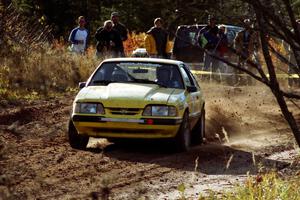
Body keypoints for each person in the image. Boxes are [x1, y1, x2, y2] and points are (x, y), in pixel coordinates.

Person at [234, 18, 259, 85]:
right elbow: (236, 42)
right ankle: (240, 81)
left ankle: (250, 82)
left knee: (249, 67)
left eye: (248, 24)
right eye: (245, 24)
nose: (247, 25)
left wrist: (256, 49)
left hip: (250, 52)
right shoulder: (240, 33)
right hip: (242, 51)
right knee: (240, 66)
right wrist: (237, 49)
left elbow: (258, 43)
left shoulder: (254, 33)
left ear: (250, 25)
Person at [197, 15, 220, 81]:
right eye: (211, 20)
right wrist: (204, 46)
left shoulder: (218, 30)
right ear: (209, 21)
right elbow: (199, 39)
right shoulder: (204, 30)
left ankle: (214, 80)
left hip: (216, 50)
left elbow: (222, 39)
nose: (212, 22)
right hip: (208, 50)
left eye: (214, 20)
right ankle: (204, 80)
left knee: (215, 66)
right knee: (206, 66)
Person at [287, 19, 300, 88]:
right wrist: (288, 50)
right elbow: (286, 41)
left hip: (298, 51)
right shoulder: (291, 32)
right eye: (298, 24)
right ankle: (290, 84)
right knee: (290, 68)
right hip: (292, 52)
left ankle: (297, 84)